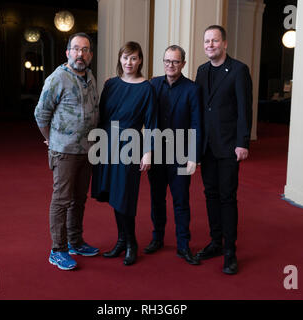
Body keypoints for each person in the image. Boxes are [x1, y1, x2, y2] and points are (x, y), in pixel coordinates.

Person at [34, 32, 100, 271]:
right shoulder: (57, 78)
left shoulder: (90, 76)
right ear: (67, 53)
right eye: (76, 49)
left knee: (79, 199)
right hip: (64, 151)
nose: (80, 54)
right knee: (61, 200)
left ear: (90, 54)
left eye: (85, 50)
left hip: (87, 150)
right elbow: (40, 114)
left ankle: (75, 242)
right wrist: (52, 141)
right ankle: (57, 249)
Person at [91, 41, 157, 266]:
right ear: (120, 59)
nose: (129, 62)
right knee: (113, 194)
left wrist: (148, 152)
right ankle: (121, 240)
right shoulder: (110, 85)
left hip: (130, 145)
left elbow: (152, 123)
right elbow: (100, 117)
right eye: (125, 57)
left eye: (134, 58)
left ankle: (131, 243)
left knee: (125, 195)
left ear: (140, 61)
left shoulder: (147, 88)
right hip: (107, 143)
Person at [195, 25, 253, 275]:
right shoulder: (202, 70)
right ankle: (215, 242)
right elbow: (199, 108)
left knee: (227, 197)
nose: (210, 45)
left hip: (229, 145)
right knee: (210, 195)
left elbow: (244, 109)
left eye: (214, 41)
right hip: (207, 146)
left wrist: (243, 142)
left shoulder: (239, 70)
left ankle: (230, 251)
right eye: (207, 41)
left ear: (225, 44)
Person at [145, 45, 202, 265]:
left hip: (180, 153)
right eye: (167, 61)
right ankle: (157, 238)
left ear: (183, 64)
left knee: (181, 201)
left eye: (175, 62)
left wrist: (193, 156)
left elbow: (197, 124)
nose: (170, 65)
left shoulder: (192, 89)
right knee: (156, 199)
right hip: (157, 152)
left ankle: (183, 245)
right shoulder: (152, 84)